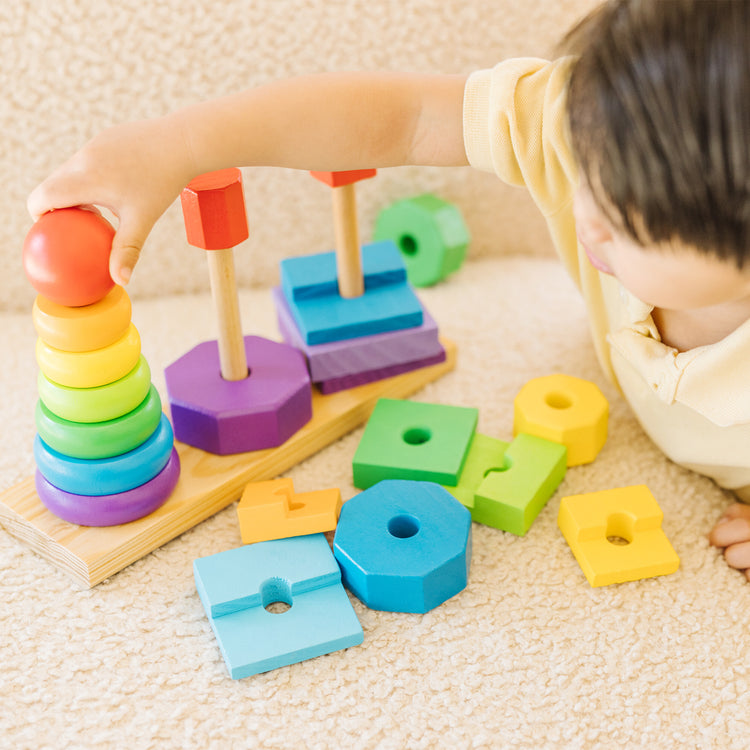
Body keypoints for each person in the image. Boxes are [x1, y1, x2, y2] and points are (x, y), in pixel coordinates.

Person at [27, 0, 750, 580]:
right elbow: (405, 117)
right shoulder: (597, 120)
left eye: (624, 221)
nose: (578, 209)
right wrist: (183, 143)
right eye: (583, 168)